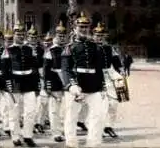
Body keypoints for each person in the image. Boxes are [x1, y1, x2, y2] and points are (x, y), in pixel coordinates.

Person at [61, 12, 106, 148]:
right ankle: (71, 143)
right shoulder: (69, 47)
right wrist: (72, 86)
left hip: (93, 86)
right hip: (76, 86)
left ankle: (93, 143)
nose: (84, 30)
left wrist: (102, 86)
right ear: (75, 29)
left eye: (86, 27)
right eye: (81, 27)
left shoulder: (95, 47)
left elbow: (98, 69)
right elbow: (66, 69)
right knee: (71, 116)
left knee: (98, 115)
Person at [1, 21, 39, 147]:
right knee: (14, 112)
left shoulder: (30, 49)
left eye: (22, 34)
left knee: (31, 111)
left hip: (28, 83)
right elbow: (5, 70)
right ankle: (16, 136)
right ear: (14, 34)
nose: (21, 36)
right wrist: (8, 85)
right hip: (14, 83)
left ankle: (28, 136)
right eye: (18, 33)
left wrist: (36, 85)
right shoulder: (8, 50)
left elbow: (34, 68)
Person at [93, 22, 123, 138]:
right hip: (96, 76)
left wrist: (120, 71)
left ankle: (109, 126)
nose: (99, 38)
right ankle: (98, 129)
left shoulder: (109, 48)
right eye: (97, 35)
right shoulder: (90, 48)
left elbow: (116, 61)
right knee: (100, 105)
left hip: (109, 75)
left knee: (114, 103)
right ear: (93, 35)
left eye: (101, 36)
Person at [42, 25, 66, 143]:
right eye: (59, 35)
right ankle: (56, 133)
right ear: (55, 36)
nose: (61, 38)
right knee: (54, 110)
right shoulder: (51, 51)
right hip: (55, 84)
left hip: (67, 85)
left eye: (63, 36)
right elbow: (46, 70)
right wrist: (48, 86)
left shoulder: (68, 49)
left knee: (68, 110)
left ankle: (66, 130)